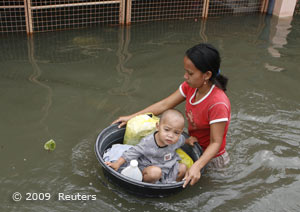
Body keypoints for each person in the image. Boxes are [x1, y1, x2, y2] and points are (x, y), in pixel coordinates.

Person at [113, 43, 231, 188]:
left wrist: (197, 166)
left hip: (210, 159)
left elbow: (216, 143)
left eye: (191, 73)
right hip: (191, 144)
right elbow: (164, 105)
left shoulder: (218, 103)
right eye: (185, 71)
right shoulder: (191, 87)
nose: (185, 76)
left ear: (207, 75)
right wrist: (133, 117)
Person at [106, 109, 188, 184]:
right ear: (158, 126)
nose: (171, 135)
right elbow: (133, 152)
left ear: (180, 133)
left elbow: (183, 140)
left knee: (183, 168)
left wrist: (189, 140)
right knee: (155, 173)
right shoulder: (148, 142)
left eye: (176, 132)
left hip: (167, 165)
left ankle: (171, 185)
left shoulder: (178, 139)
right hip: (148, 167)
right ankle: (146, 185)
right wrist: (117, 163)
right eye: (166, 130)